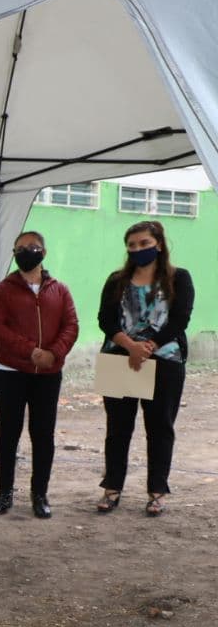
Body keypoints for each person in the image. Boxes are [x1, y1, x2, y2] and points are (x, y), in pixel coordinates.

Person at [95, 220, 194, 517]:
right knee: (117, 429)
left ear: (159, 244)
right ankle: (112, 488)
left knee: (160, 428)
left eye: (144, 243)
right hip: (119, 358)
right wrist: (131, 346)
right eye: (132, 245)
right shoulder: (117, 280)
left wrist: (148, 347)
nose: (138, 249)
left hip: (165, 361)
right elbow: (105, 319)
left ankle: (157, 492)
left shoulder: (179, 278)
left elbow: (180, 319)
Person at [0, 231, 79, 518]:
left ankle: (40, 493)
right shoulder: (2, 290)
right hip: (10, 371)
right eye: (21, 248)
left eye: (33, 247)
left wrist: (53, 353)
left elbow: (71, 325)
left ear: (44, 252)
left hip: (48, 373)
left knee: (43, 434)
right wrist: (31, 351)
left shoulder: (60, 290)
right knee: (8, 433)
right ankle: (5, 492)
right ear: (14, 253)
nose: (27, 251)